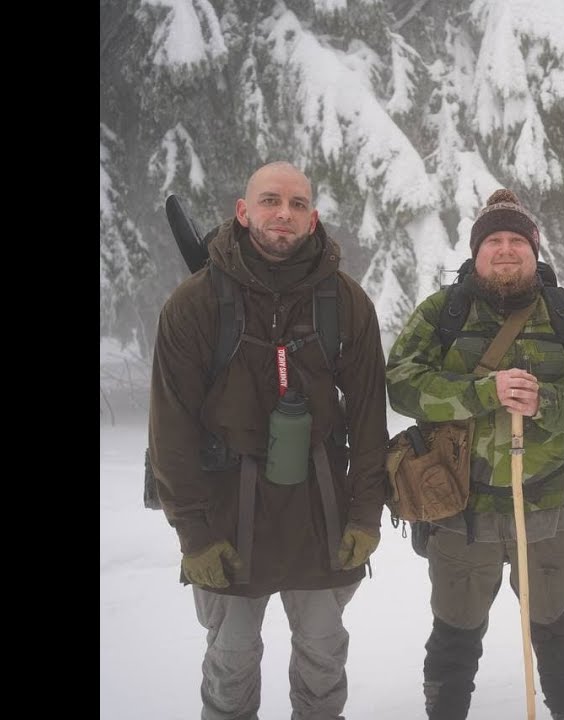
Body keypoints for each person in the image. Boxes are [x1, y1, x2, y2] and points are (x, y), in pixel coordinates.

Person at [148, 161, 389, 719]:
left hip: (321, 508)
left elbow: (370, 420)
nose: (284, 213)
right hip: (226, 510)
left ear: (313, 218)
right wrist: (193, 533)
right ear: (243, 210)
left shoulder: (346, 302)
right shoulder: (195, 303)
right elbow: (171, 428)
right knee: (230, 665)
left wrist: (366, 513)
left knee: (324, 661)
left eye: (297, 204)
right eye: (270, 201)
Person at [385, 189, 564, 720]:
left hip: (546, 508)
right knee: (454, 634)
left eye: (517, 239)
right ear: (475, 252)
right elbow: (399, 384)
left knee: (556, 627)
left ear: (535, 251)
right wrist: (478, 393)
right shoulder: (443, 312)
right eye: (493, 239)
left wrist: (550, 401)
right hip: (457, 510)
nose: (506, 248)